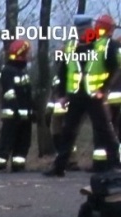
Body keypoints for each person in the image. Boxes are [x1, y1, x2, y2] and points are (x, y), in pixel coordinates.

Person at [45, 14, 121, 177]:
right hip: (75, 95)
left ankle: (115, 164)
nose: (81, 32)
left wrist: (104, 89)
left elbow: (115, 67)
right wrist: (62, 95)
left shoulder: (104, 44)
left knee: (104, 130)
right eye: (78, 30)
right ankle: (59, 167)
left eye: (84, 29)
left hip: (94, 96)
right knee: (68, 131)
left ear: (90, 28)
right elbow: (64, 71)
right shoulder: (71, 46)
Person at [0, 39, 33, 173]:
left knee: (23, 142)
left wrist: (32, 111)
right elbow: (9, 93)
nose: (28, 56)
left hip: (25, 116)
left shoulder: (22, 71)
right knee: (7, 140)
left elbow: (27, 94)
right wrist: (17, 110)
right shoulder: (8, 71)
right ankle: (0, 166)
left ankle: (18, 165)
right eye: (27, 53)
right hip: (12, 115)